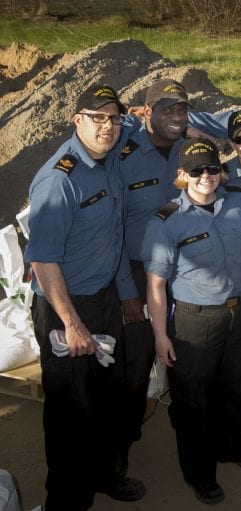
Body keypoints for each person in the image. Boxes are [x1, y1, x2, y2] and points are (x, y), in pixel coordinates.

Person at [24, 84, 146, 510]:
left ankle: (104, 476)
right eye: (97, 118)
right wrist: (72, 324)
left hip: (105, 297)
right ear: (77, 120)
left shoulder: (109, 151)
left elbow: (134, 120)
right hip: (66, 307)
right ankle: (66, 500)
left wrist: (138, 113)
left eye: (112, 119)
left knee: (109, 398)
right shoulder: (59, 181)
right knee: (69, 412)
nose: (107, 127)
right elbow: (42, 261)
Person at [142, 138, 241, 505]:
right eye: (196, 170)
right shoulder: (167, 221)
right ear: (182, 175)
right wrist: (159, 335)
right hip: (194, 321)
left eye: (212, 168)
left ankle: (233, 446)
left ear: (222, 171)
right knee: (193, 400)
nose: (206, 177)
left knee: (239, 388)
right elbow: (156, 285)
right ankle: (200, 473)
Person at [116, 78, 191, 482]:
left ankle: (188, 428)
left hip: (183, 271)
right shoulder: (123, 156)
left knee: (186, 352)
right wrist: (128, 293)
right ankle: (119, 451)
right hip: (137, 273)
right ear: (146, 112)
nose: (176, 118)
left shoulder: (189, 151)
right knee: (136, 363)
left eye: (182, 110)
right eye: (167, 109)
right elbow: (109, 228)